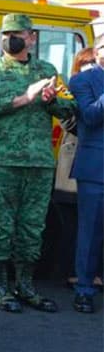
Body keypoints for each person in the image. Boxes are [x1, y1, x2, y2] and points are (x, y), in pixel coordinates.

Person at [0, 13, 75, 313]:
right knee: (1, 226)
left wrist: (51, 98)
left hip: (39, 162)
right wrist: (23, 99)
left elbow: (69, 107)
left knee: (32, 227)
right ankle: (1, 287)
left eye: (17, 33)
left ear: (32, 38)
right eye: (6, 34)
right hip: (2, 161)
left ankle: (26, 286)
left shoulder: (48, 70)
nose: (10, 38)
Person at [68, 35, 104, 313]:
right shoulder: (82, 81)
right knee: (90, 231)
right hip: (95, 167)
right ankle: (84, 289)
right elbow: (90, 117)